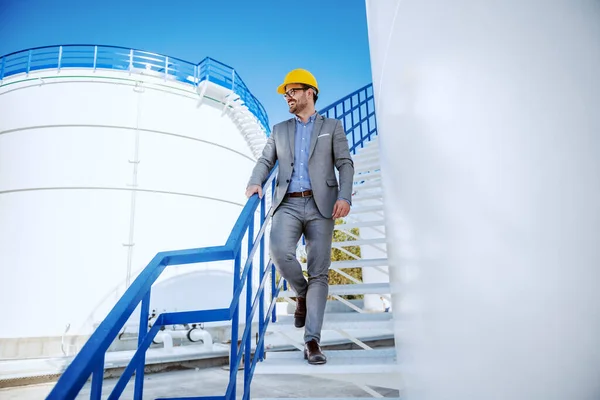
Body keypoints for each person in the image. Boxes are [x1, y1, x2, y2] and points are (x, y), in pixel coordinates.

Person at [245, 69, 354, 364]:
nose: (287, 97)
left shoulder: (332, 126)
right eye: (285, 93)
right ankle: (302, 294)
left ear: (310, 93)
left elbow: (345, 163)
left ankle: (312, 341)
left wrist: (345, 196)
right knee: (279, 251)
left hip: (323, 207)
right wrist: (256, 180)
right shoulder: (279, 130)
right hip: (288, 204)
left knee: (320, 271)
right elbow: (266, 159)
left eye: (292, 91)